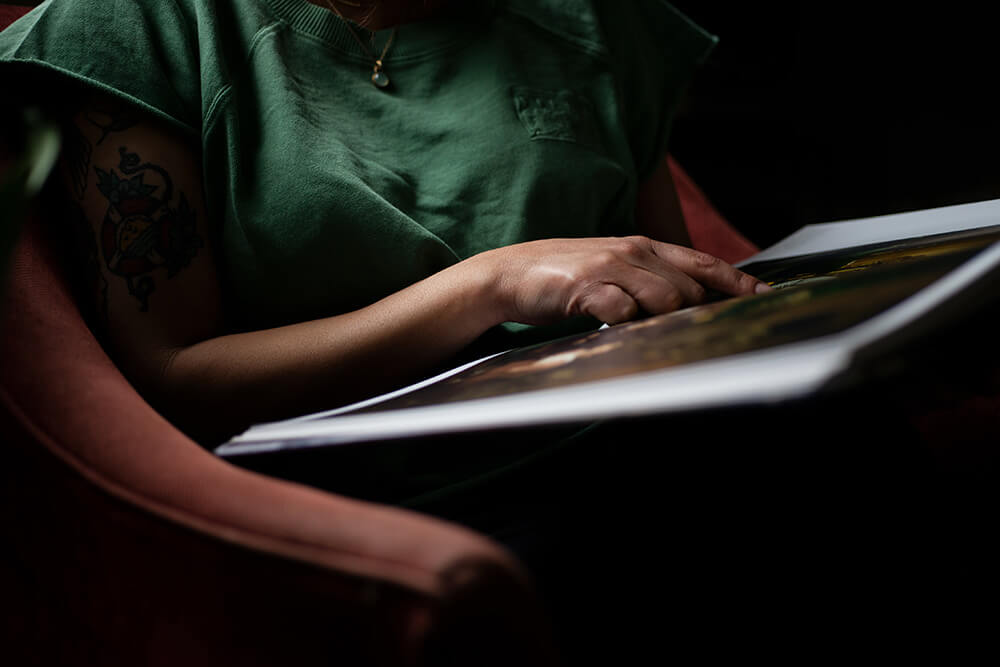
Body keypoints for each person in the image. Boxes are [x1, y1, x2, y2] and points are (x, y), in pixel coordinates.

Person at [1, 0, 773, 658]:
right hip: (402, 506)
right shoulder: (146, 23)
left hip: (647, 446)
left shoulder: (593, 18)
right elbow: (177, 379)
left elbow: (675, 285)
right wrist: (490, 282)